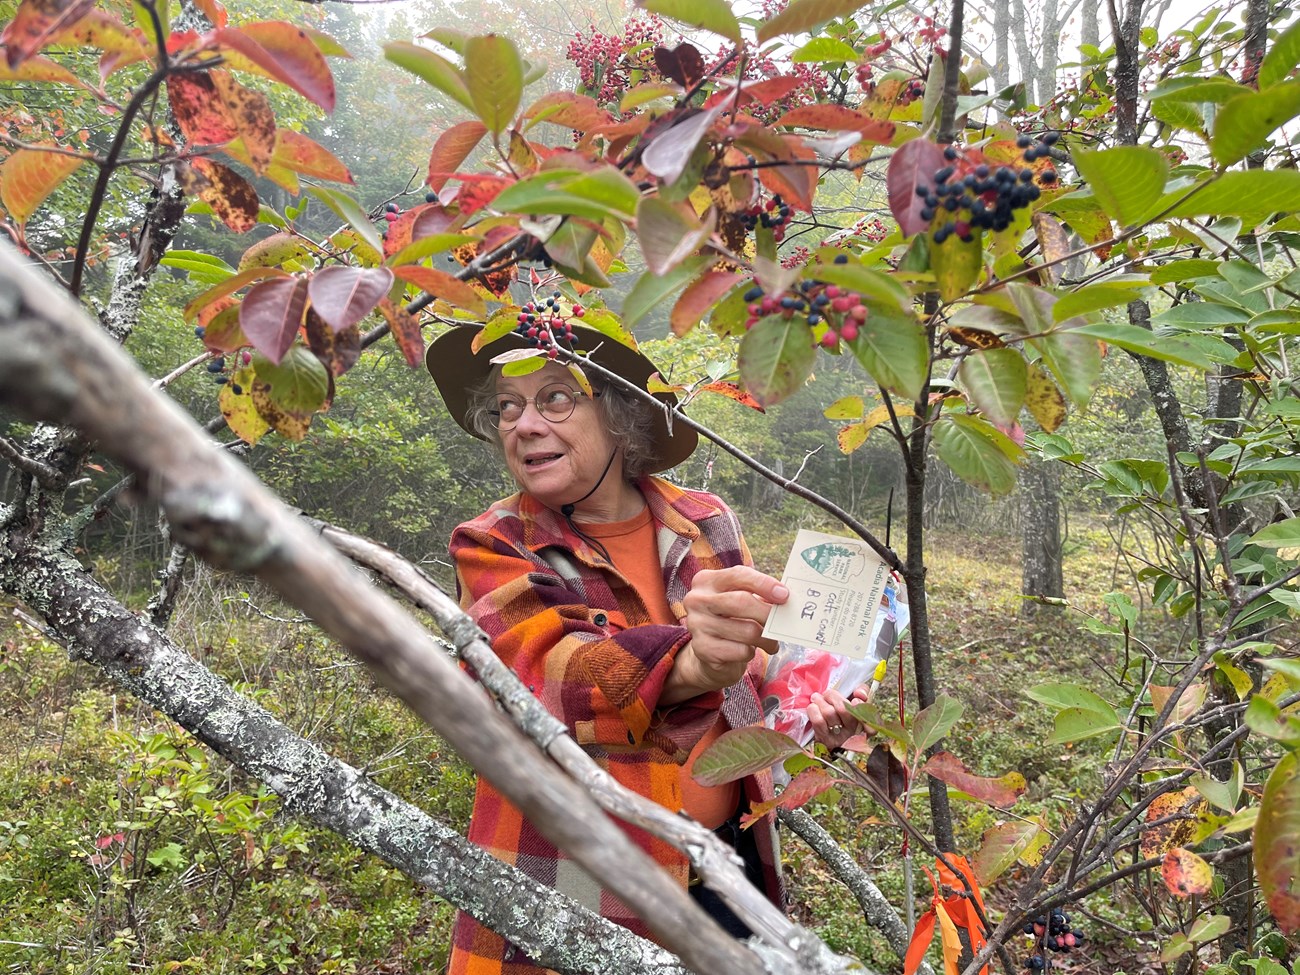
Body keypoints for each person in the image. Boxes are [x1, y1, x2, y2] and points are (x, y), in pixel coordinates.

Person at [427, 320, 864, 974]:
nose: (523, 424)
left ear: (620, 413)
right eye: (507, 406)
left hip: (726, 868)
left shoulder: (706, 519)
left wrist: (822, 712)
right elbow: (550, 677)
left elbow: (750, 688)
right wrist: (689, 663)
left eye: (553, 397)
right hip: (581, 874)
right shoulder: (492, 544)